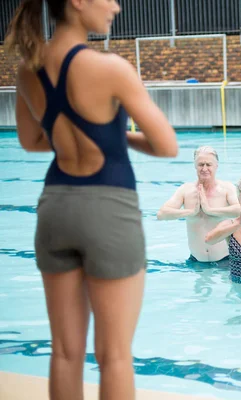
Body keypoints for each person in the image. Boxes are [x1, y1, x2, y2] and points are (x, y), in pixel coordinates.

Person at [6, 0, 178, 398]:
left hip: (55, 207)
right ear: (77, 2)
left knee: (65, 352)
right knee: (114, 355)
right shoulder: (110, 68)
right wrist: (116, 138)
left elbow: (31, 142)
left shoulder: (29, 69)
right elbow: (166, 144)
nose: (116, 6)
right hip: (108, 209)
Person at [157, 146, 240, 267]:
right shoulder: (185, 190)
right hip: (196, 263)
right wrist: (189, 212)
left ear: (216, 166)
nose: (204, 168)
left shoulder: (227, 188)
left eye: (208, 164)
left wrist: (211, 210)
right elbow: (161, 214)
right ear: (195, 166)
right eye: (201, 164)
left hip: (226, 262)